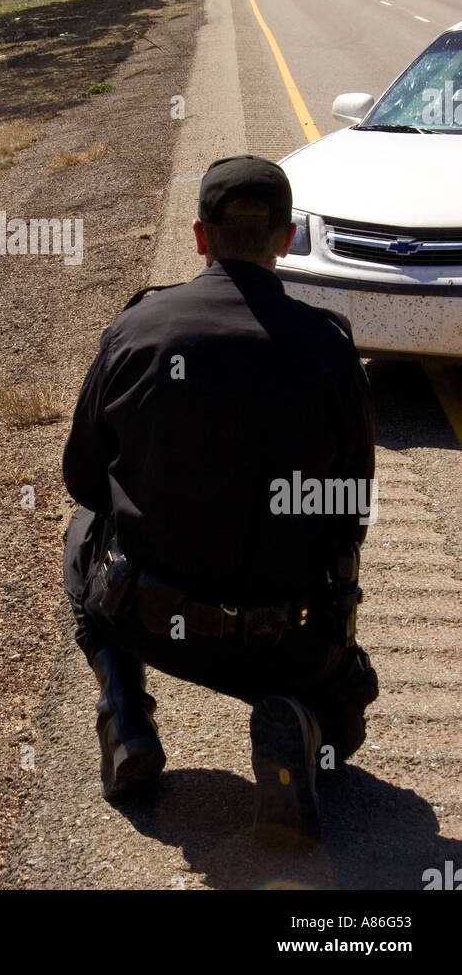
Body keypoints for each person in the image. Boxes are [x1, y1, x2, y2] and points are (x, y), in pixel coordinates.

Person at [62, 155, 378, 846]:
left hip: (151, 616)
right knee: (347, 719)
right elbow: (353, 510)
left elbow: (83, 480)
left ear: (199, 237)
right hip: (282, 639)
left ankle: (126, 714)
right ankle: (298, 727)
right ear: (287, 237)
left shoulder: (135, 331)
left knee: (83, 529)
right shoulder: (328, 348)